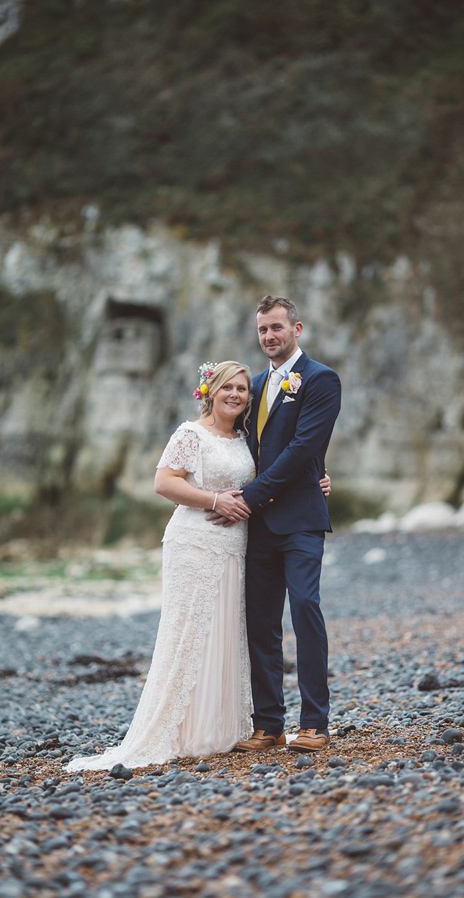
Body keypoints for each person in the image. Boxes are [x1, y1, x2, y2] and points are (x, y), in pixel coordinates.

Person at [66, 361, 260, 770]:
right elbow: (164, 482)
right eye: (227, 387)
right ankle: (178, 730)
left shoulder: (247, 439)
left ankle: (220, 729)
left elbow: (272, 476)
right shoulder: (190, 434)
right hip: (193, 543)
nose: (235, 395)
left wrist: (318, 479)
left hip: (234, 545)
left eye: (242, 389)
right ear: (210, 391)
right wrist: (214, 500)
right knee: (188, 631)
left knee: (226, 630)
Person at [226, 295, 342, 755]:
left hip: (300, 520)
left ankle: (315, 722)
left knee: (305, 610)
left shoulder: (321, 379)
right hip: (257, 527)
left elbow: (303, 445)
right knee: (260, 623)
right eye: (262, 330)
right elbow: (243, 450)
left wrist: (248, 497)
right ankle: (268, 725)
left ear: (298, 329)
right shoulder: (252, 385)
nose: (269, 336)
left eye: (277, 327)